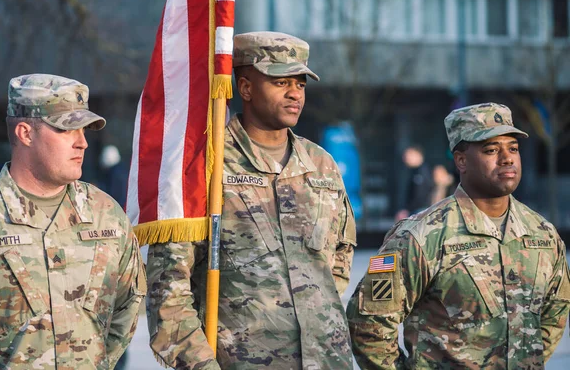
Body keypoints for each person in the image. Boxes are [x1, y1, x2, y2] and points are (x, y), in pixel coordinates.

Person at [146, 32, 357, 369]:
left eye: (300, 84)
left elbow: (340, 254)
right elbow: (167, 293)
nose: (294, 94)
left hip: (327, 359)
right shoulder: (203, 167)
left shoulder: (321, 165)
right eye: (280, 82)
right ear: (245, 88)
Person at [347, 102, 570, 369]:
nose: (507, 158)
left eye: (513, 148)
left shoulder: (542, 233)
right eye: (491, 150)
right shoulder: (418, 236)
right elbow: (367, 323)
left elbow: (555, 312)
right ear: (461, 160)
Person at [0, 74, 147, 369]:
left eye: (85, 130)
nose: (83, 143)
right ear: (26, 133)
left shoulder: (106, 214)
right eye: (68, 130)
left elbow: (125, 310)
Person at [395, 145, 434, 220]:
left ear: (418, 155)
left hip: (421, 211)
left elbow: (420, 195)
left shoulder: (423, 171)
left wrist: (406, 210)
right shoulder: (414, 171)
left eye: (409, 155)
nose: (405, 158)